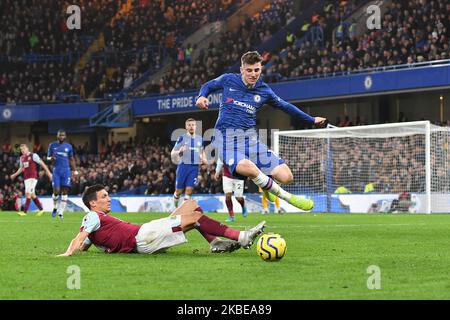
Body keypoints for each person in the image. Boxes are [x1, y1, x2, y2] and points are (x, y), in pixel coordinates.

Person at [195, 51, 327, 211]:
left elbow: (285, 106)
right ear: (242, 69)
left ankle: (267, 185)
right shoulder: (228, 79)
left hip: (250, 141)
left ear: (261, 69)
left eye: (257, 70)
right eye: (249, 70)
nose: (253, 74)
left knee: (287, 177)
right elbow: (208, 86)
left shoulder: (264, 91)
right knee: (249, 168)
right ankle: (287, 198)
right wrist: (202, 96)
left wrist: (311, 119)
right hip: (225, 141)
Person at [57, 184, 266, 256]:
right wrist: (68, 252)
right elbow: (81, 235)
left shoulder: (97, 222)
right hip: (143, 237)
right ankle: (242, 236)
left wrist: (88, 246)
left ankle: (215, 243)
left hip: (145, 234)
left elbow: (85, 242)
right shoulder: (92, 216)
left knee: (191, 205)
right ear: (93, 204)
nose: (108, 198)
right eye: (104, 197)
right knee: (196, 217)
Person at [170, 118, 205, 208]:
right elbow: (172, 153)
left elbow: (201, 152)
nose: (191, 127)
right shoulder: (182, 138)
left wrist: (203, 158)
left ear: (196, 126)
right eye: (189, 125)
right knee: (178, 191)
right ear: (186, 127)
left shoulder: (200, 139)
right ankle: (175, 207)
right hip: (183, 166)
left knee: (189, 190)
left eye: (193, 125)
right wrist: (179, 151)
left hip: (194, 167)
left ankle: (184, 212)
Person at [10, 144, 52, 216]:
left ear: (27, 148)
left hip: (33, 177)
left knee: (28, 193)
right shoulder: (22, 158)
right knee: (32, 195)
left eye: (23, 149)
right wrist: (14, 174)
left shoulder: (33, 155)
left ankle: (24, 212)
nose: (22, 150)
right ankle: (41, 210)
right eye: (21, 149)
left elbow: (42, 163)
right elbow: (21, 168)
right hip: (26, 178)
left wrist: (48, 172)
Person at [47, 130, 78, 219]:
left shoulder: (69, 147)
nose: (61, 137)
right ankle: (55, 207)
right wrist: (51, 158)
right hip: (56, 171)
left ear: (65, 137)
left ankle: (61, 212)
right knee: (56, 191)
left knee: (65, 191)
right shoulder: (52, 145)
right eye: (60, 135)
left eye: (63, 135)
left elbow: (71, 159)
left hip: (66, 171)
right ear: (57, 136)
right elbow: (48, 157)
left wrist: (75, 170)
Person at [214, 157, 248, 222]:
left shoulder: (239, 150)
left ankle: (243, 206)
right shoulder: (224, 150)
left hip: (238, 176)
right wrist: (217, 172)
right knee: (228, 195)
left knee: (238, 197)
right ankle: (231, 216)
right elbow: (220, 160)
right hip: (227, 176)